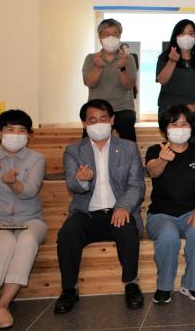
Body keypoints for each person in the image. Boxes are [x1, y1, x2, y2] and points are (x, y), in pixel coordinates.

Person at [54, 99, 145, 314]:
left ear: (112, 120)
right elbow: (72, 184)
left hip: (117, 211)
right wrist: (81, 180)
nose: (99, 124)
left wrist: (123, 207)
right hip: (87, 213)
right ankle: (69, 289)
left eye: (103, 119)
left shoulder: (128, 148)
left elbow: (136, 185)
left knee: (127, 228)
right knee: (68, 233)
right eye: (92, 120)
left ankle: (131, 284)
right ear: (84, 124)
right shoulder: (74, 151)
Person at [0, 110, 47, 331]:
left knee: (27, 240)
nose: (15, 134)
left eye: (21, 130)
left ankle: (3, 305)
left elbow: (30, 191)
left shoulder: (37, 159)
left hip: (30, 220)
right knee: (5, 241)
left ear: (29, 135)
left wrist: (13, 183)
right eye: (10, 129)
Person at [145, 105, 195, 304]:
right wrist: (163, 160)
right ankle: (164, 286)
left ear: (191, 127)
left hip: (190, 212)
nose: (180, 128)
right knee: (168, 234)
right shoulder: (156, 150)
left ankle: (191, 283)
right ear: (165, 128)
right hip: (160, 214)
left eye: (184, 124)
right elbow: (153, 171)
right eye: (174, 124)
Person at [156, 19, 195, 147]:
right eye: (182, 33)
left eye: (191, 33)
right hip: (169, 106)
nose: (186, 36)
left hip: (193, 107)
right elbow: (162, 80)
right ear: (175, 36)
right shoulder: (165, 57)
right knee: (176, 127)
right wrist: (172, 61)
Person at [82, 18, 138, 142]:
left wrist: (122, 67)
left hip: (123, 109)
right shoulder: (91, 58)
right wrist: (98, 66)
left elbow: (129, 85)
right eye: (106, 34)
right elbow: (89, 83)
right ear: (100, 38)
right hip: (97, 108)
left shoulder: (128, 59)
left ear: (120, 36)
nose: (110, 37)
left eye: (114, 34)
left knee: (126, 123)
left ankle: (131, 155)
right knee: (87, 140)